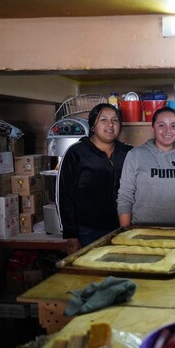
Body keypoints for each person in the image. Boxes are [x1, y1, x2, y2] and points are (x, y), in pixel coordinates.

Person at [57, 103, 133, 250]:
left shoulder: (129, 152)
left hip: (123, 229)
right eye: (103, 120)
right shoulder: (77, 153)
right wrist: (71, 235)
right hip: (88, 231)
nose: (110, 124)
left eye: (115, 120)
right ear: (93, 126)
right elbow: (64, 195)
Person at [117, 106, 175, 227]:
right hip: (141, 231)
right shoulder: (135, 155)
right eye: (161, 125)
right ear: (153, 128)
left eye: (173, 126)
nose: (168, 131)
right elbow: (125, 196)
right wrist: (125, 232)